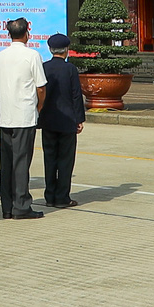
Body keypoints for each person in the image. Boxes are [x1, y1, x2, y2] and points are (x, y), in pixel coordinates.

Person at [0, 18, 46, 220]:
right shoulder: (32, 55)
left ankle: (7, 206)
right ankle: (21, 205)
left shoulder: (0, 56)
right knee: (21, 162)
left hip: (5, 114)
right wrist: (39, 107)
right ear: (26, 33)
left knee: (7, 163)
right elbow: (41, 87)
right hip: (24, 115)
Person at [39, 33, 87, 208]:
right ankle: (62, 197)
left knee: (49, 158)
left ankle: (49, 196)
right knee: (65, 160)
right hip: (67, 120)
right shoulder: (70, 69)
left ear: (51, 50)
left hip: (48, 120)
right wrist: (79, 119)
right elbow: (76, 95)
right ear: (66, 50)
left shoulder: (44, 67)